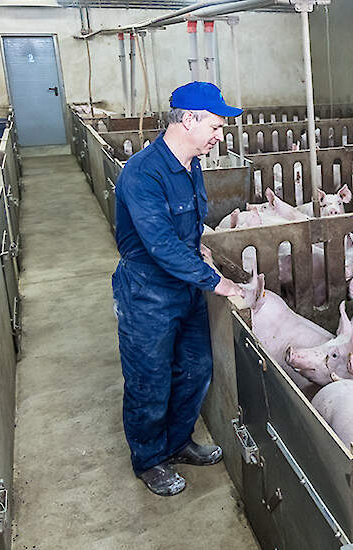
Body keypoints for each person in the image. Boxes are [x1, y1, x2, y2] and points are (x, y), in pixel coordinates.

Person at [111, 81, 242, 496]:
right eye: (216, 126)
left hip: (184, 288)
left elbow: (184, 230)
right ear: (189, 120)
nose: (220, 136)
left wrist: (200, 248)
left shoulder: (192, 164)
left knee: (196, 369)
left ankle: (178, 442)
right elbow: (161, 245)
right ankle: (149, 459)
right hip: (148, 293)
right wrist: (217, 281)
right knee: (150, 380)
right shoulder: (142, 173)